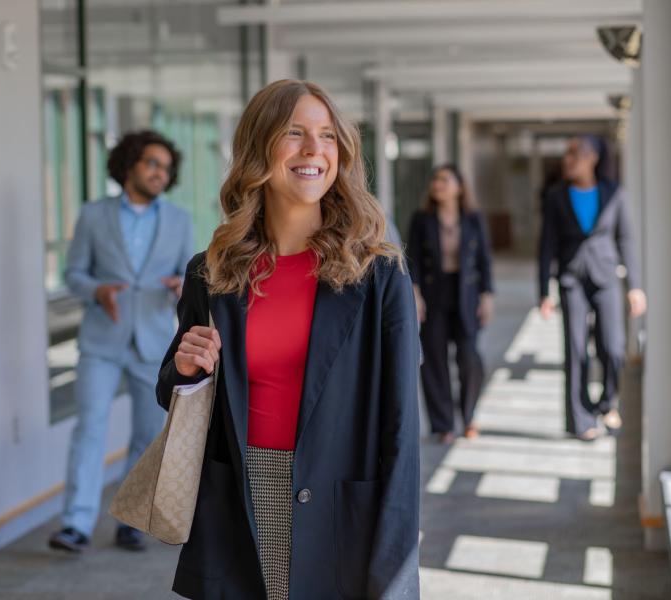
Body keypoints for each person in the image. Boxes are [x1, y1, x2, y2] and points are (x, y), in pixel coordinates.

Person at [156, 80, 420, 599]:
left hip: (340, 510)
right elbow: (172, 389)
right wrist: (184, 370)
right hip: (239, 504)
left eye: (326, 136)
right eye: (294, 133)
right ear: (260, 148)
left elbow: (403, 430)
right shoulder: (212, 273)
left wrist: (395, 571)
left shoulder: (379, 275)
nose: (312, 150)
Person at [48, 130, 194, 553]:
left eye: (166, 168)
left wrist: (180, 285)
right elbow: (72, 273)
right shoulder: (94, 215)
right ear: (129, 165)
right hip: (101, 340)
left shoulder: (179, 220)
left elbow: (193, 275)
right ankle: (76, 523)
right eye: (151, 163)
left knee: (149, 435)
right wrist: (97, 291)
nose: (159, 174)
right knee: (90, 428)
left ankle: (132, 520)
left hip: (152, 341)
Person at [538, 135, 647, 441]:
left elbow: (625, 238)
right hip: (571, 279)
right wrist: (544, 290)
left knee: (613, 347)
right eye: (567, 152)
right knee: (575, 350)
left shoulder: (614, 193)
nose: (568, 158)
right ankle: (580, 419)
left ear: (594, 158)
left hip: (606, 277)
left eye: (575, 152)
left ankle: (607, 402)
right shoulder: (556, 196)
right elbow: (546, 244)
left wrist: (635, 286)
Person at [407, 164, 494, 443]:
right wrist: (415, 295)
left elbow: (484, 260)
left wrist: (487, 296)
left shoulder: (473, 218)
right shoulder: (422, 219)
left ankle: (469, 416)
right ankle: (443, 424)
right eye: (435, 179)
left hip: (465, 294)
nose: (437, 184)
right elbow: (413, 262)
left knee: (470, 357)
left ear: (459, 187)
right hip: (434, 295)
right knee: (433, 360)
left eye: (444, 179)